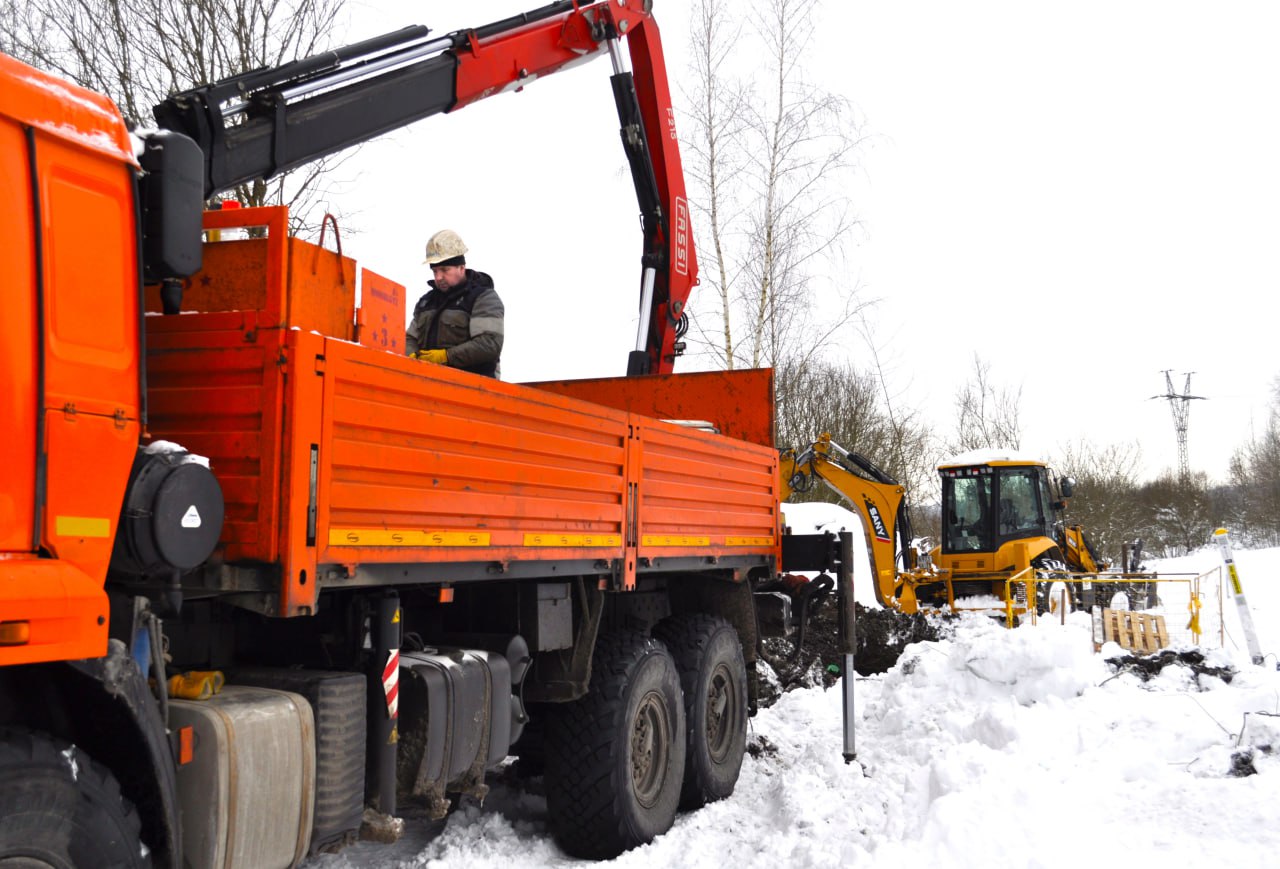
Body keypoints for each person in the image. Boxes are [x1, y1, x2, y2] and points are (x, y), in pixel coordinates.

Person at [405, 229, 504, 378]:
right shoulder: (426, 302)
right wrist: (410, 355)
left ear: (461, 267)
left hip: (475, 387)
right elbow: (410, 338)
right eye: (435, 271)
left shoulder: (483, 298)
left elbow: (489, 344)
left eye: (444, 270)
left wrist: (447, 357)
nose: (438, 277)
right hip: (427, 382)